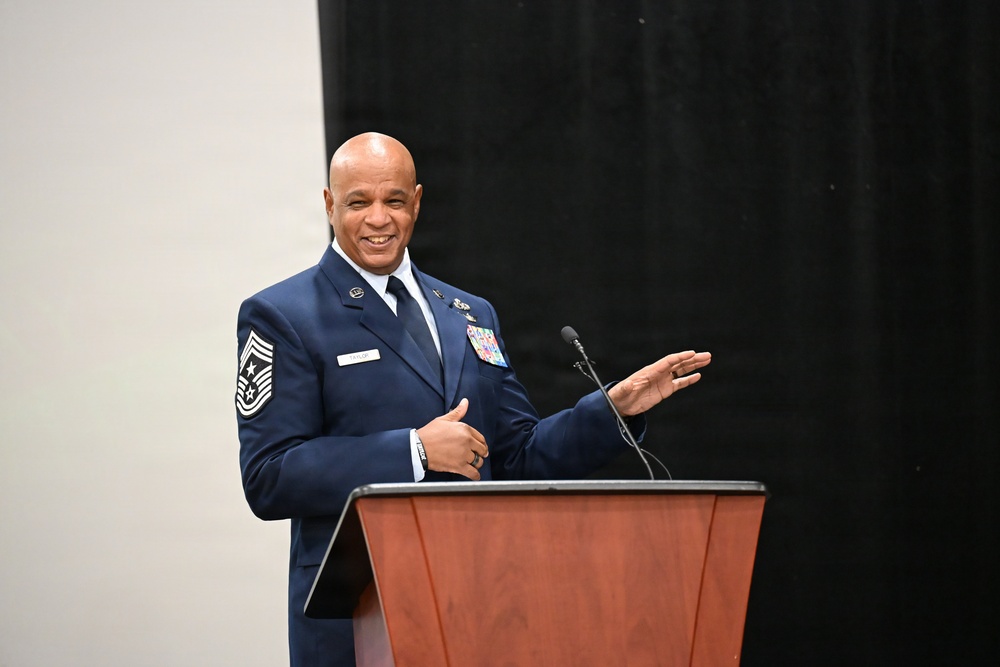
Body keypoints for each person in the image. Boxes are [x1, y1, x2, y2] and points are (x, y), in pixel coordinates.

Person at [235, 132, 712, 666]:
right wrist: (413, 451)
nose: (378, 219)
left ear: (416, 201)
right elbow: (269, 475)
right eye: (357, 202)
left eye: (393, 200)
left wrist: (611, 410)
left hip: (482, 607)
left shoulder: (469, 313)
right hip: (360, 622)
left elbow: (518, 456)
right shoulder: (283, 315)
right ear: (328, 204)